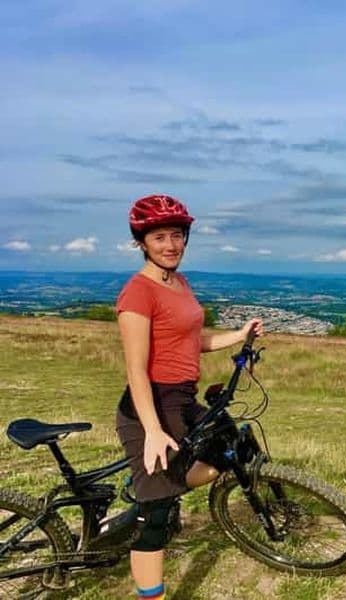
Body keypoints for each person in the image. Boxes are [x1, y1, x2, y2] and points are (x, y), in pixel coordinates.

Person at [115, 194, 262, 600]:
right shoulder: (138, 293)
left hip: (181, 399)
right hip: (151, 405)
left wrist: (239, 335)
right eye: (159, 237)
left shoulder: (178, 282)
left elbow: (190, 339)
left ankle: (155, 484)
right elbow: (136, 370)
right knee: (156, 517)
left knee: (227, 445)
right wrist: (152, 432)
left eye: (176, 235)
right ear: (141, 243)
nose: (170, 245)